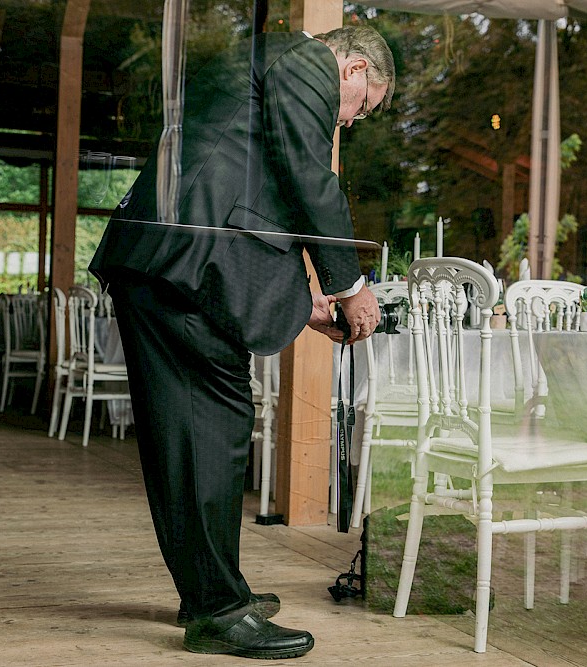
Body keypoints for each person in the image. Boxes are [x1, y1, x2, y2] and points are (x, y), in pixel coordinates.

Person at [89, 25, 395, 660]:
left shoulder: (262, 69)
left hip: (176, 261)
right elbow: (309, 177)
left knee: (198, 433)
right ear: (354, 68)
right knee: (207, 433)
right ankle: (216, 609)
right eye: (360, 107)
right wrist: (350, 283)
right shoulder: (305, 58)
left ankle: (212, 592)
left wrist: (302, 302)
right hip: (183, 265)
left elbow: (242, 191)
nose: (350, 121)